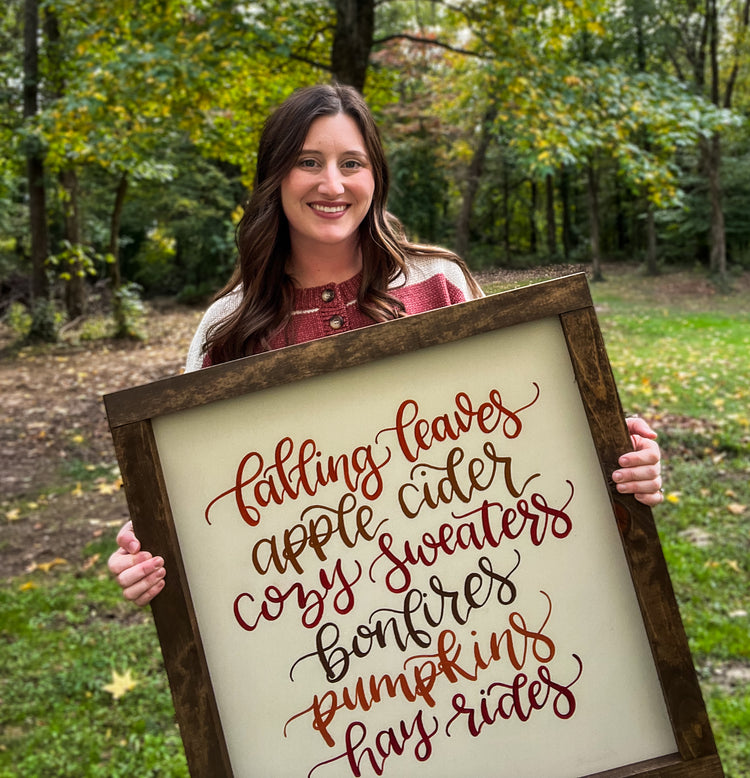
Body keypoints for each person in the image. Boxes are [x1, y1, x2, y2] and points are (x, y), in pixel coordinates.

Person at [108, 83, 664, 607]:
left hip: (467, 583)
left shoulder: (438, 283)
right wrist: (154, 550)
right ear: (274, 177)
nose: (332, 184)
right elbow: (205, 502)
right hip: (314, 611)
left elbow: (521, 435)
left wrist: (616, 460)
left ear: (376, 176)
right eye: (308, 162)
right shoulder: (227, 328)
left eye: (351, 163)